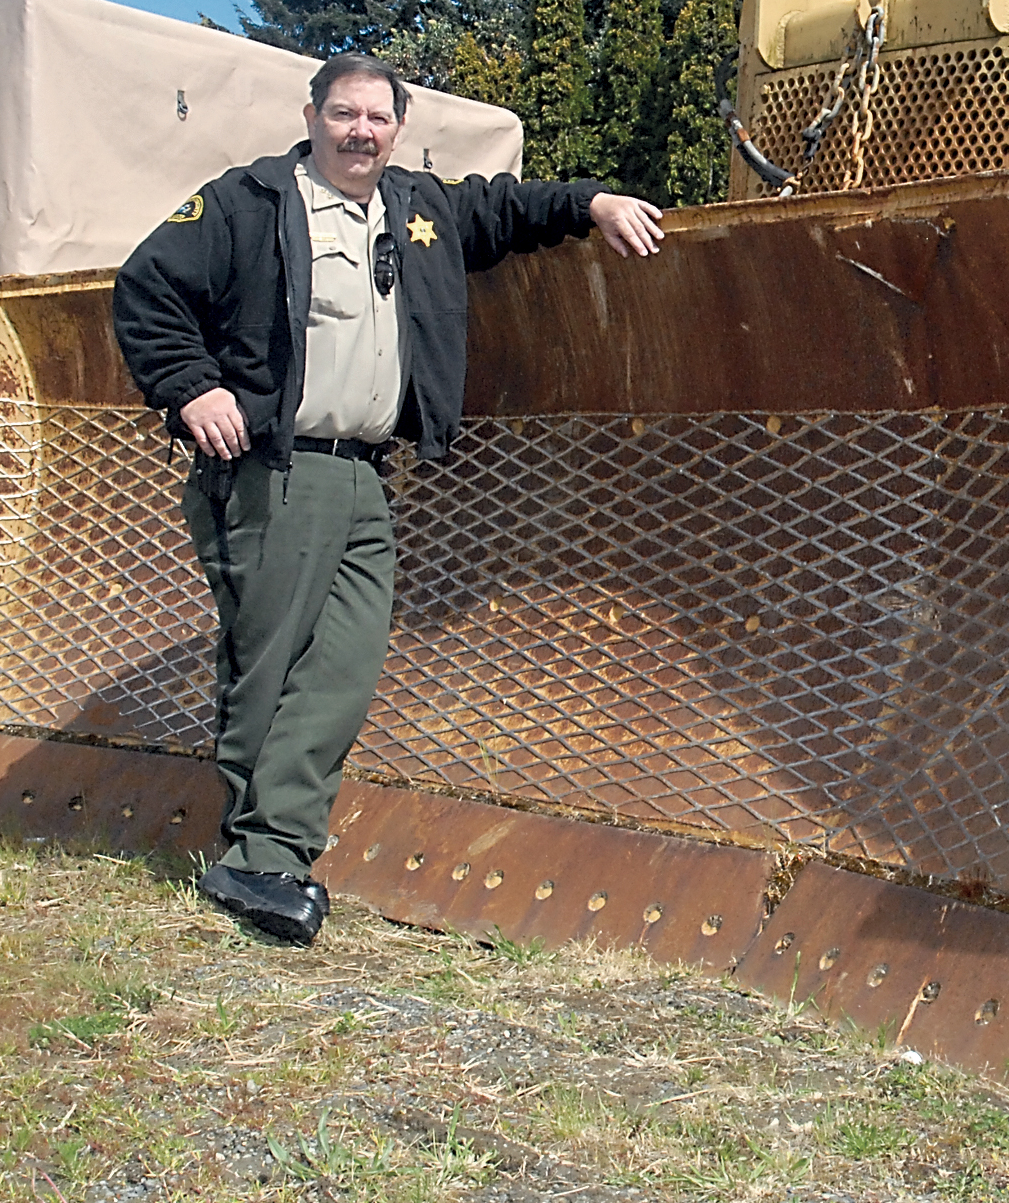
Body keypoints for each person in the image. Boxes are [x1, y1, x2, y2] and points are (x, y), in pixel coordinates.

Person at [112, 55, 665, 945]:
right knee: (272, 664)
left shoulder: (419, 210)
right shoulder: (250, 202)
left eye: (376, 117)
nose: (360, 130)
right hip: (273, 468)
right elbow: (146, 288)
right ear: (312, 115)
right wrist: (189, 386)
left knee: (344, 667)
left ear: (397, 128)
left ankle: (265, 853)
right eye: (343, 114)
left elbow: (506, 208)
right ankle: (262, 859)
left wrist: (591, 203)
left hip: (368, 474)